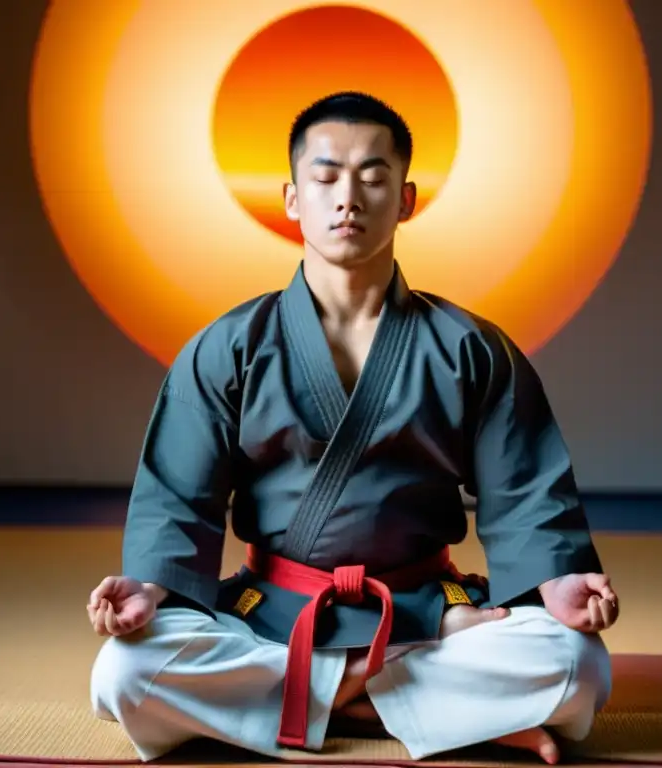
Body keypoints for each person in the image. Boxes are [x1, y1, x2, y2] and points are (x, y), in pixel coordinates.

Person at [87, 91, 618, 766]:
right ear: (290, 197)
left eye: (372, 177)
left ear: (405, 199)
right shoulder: (229, 347)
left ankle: (304, 705)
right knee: (122, 673)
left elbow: (525, 494)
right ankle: (394, 708)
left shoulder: (469, 347)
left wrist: (558, 581)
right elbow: (175, 498)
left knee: (578, 664)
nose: (348, 197)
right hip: (273, 614)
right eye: (327, 175)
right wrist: (148, 586)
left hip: (426, 611)